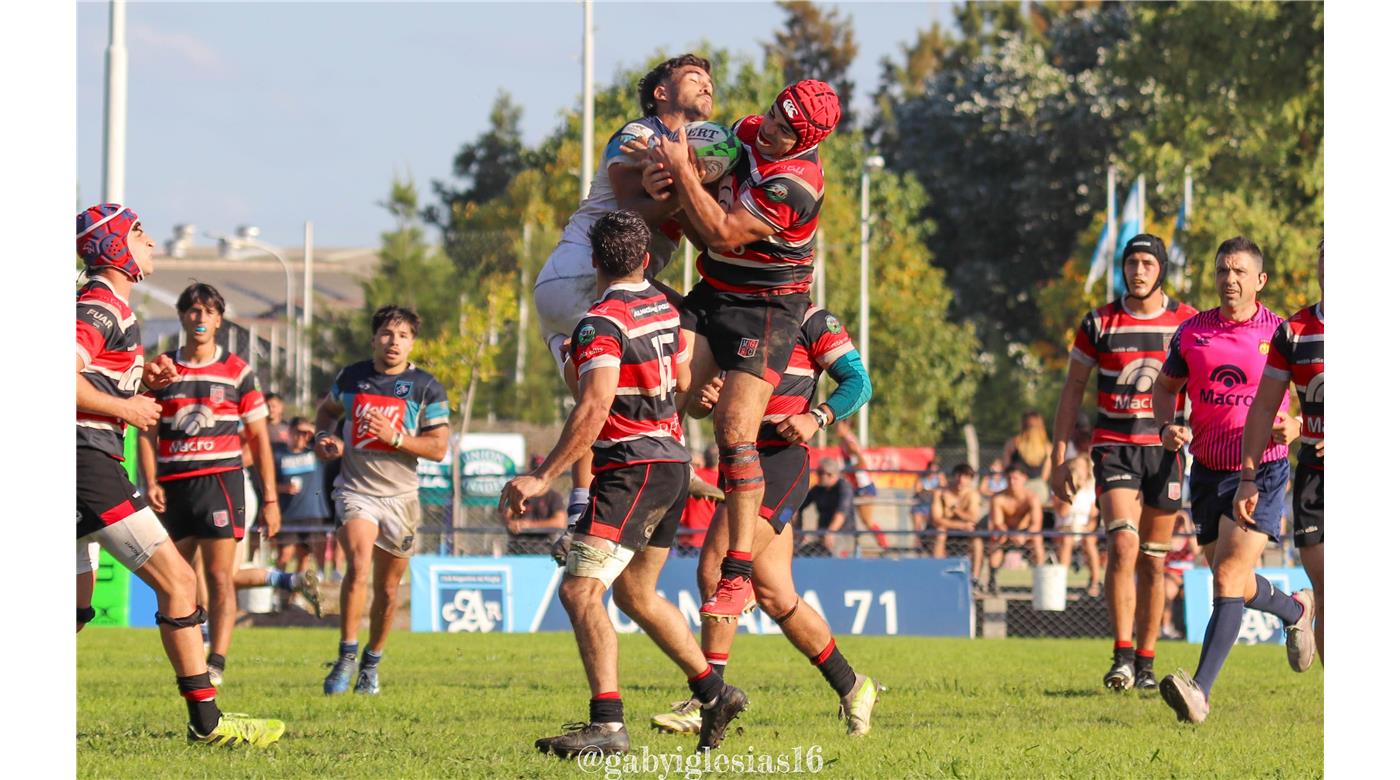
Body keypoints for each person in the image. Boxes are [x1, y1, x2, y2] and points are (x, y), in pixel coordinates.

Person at [500, 210, 747, 757]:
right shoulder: (662, 305)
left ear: (592, 260)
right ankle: (714, 692)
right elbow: (684, 380)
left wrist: (543, 476)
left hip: (632, 467)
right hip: (671, 463)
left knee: (579, 590)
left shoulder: (600, 322)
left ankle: (608, 725)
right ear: (643, 259)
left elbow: (594, 406)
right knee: (635, 593)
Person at [75, 203, 283, 746]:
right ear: (114, 246)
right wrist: (128, 410)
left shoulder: (114, 306)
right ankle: (208, 724)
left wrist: (145, 385)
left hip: (81, 457)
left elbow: (97, 381)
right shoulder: (101, 303)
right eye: (138, 232)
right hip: (85, 460)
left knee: (73, 605)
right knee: (181, 581)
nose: (149, 241)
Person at [643, 80, 843, 621]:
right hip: (716, 291)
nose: (771, 129)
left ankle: (736, 571)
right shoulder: (751, 131)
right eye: (775, 115)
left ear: (807, 141)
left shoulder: (795, 183)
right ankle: (620, 506)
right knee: (665, 393)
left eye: (786, 129)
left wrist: (680, 172)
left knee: (733, 430)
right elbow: (706, 181)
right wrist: (666, 174)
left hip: (767, 308)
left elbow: (720, 233)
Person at [653, 304, 880, 738]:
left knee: (720, 566)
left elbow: (859, 382)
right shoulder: (735, 317)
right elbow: (710, 398)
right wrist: (705, 398)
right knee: (777, 597)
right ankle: (855, 687)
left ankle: (708, 699)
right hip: (738, 460)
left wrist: (817, 416)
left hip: (778, 461)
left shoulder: (812, 320)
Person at [534, 53, 715, 529]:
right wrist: (686, 189)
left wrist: (693, 188)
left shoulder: (694, 151)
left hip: (573, 289)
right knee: (686, 330)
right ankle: (657, 452)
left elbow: (706, 230)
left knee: (602, 399)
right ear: (661, 93)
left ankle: (584, 502)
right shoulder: (639, 134)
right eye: (693, 78)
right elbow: (632, 215)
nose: (706, 85)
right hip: (585, 274)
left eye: (709, 81)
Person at [1152, 236, 1314, 725]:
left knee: (1226, 576)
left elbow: (1315, 389)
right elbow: (1165, 389)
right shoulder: (1191, 334)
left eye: (1240, 271)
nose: (1230, 279)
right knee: (1234, 580)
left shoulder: (1284, 333)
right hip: (1207, 472)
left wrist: (1300, 424)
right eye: (1223, 270)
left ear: (1260, 280)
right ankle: (1296, 611)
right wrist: (1166, 426)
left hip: (1262, 468)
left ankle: (1199, 691)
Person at [136, 282, 315, 686]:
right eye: (193, 311)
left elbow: (258, 440)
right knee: (177, 578)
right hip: (173, 486)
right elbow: (145, 429)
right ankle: (192, 648)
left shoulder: (237, 371)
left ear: (219, 319)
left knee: (219, 577)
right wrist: (150, 479)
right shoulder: (161, 367)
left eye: (208, 312)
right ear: (182, 316)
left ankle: (216, 659)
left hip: (220, 482)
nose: (200, 318)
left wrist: (270, 498)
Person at [1048, 233, 1199, 691]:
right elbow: (1073, 388)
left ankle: (1148, 662)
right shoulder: (1099, 322)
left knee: (1154, 561)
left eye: (1147, 264)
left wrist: (1195, 431)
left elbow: (1203, 383)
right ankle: (1121, 657)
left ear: (1161, 271)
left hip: (1167, 451)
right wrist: (1059, 458)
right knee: (1123, 546)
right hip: (1114, 446)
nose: (1138, 271)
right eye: (1131, 263)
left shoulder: (1188, 321)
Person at [315, 304, 451, 696]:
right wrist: (325, 438)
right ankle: (345, 656)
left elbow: (438, 447)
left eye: (403, 335)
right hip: (356, 491)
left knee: (389, 590)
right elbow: (326, 412)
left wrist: (397, 439)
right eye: (387, 334)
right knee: (357, 565)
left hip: (401, 498)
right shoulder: (352, 378)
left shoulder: (427, 387)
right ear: (374, 338)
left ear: (412, 343)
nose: (394, 342)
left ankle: (371, 664)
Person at [1235, 238, 1324, 662]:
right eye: (1326, 257)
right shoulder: (1294, 331)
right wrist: (1248, 475)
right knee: (1329, 587)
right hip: (1314, 477)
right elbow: (1263, 407)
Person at [274, 416, 333, 610]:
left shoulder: (315, 454)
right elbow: (266, 483)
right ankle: (277, 594)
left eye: (306, 433)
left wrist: (316, 434)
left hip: (312, 512)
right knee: (284, 555)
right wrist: (283, 488)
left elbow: (332, 447)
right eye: (298, 432)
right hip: (288, 514)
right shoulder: (278, 455)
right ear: (289, 432)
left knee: (304, 557)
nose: (302, 437)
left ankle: (296, 597)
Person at [983, 464, 1046, 593]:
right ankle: (992, 580)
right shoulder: (998, 498)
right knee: (996, 540)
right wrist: (1009, 534)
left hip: (1025, 532)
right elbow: (998, 523)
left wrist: (1025, 535)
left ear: (1024, 479)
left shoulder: (1031, 498)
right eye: (1009, 478)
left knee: (1037, 540)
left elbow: (1036, 524)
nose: (1012, 482)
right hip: (1006, 532)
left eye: (1016, 478)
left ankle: (1040, 581)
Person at [835, 421, 889, 548]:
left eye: (839, 426)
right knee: (853, 519)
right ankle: (854, 548)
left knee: (867, 521)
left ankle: (885, 546)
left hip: (863, 486)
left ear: (846, 426)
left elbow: (863, 464)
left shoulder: (849, 443)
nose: (836, 428)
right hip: (855, 486)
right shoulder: (844, 442)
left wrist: (848, 471)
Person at [1053, 455, 1101, 597]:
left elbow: (1093, 518)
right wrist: (1074, 491)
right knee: (1067, 541)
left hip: (1082, 530)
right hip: (1064, 529)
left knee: (1089, 541)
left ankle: (1095, 582)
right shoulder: (1061, 488)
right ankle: (1061, 584)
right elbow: (1063, 512)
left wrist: (1088, 529)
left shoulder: (1091, 492)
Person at [929, 464, 985, 582]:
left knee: (977, 541)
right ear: (953, 476)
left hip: (963, 534)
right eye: (958, 475)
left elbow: (973, 518)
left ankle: (974, 579)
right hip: (944, 532)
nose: (961, 480)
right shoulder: (940, 493)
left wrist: (955, 509)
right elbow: (937, 519)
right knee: (941, 533)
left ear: (970, 479)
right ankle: (936, 574)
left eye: (965, 477)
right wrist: (962, 525)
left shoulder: (972, 495)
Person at [799, 459, 854, 557]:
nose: (819, 476)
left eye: (822, 473)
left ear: (833, 475)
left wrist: (830, 532)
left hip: (843, 535)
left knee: (832, 552)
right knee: (800, 554)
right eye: (819, 473)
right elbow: (798, 506)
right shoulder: (818, 489)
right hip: (821, 535)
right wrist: (797, 529)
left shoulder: (844, 488)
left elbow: (841, 513)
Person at [1161, 512, 1200, 640]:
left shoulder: (1189, 529)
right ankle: (1166, 627)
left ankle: (1192, 628)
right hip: (1171, 571)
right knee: (1168, 592)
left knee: (1192, 593)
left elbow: (1196, 551)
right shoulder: (1168, 530)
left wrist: (1187, 525)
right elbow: (1171, 547)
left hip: (1189, 573)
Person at [678, 446, 722, 552]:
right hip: (713, 539)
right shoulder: (723, 481)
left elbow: (681, 511)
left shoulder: (692, 479)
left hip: (687, 540)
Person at [1003, 411, 1052, 504]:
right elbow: (1045, 476)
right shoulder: (1048, 447)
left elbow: (1006, 468)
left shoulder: (1013, 443)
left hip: (1017, 488)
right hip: (1039, 490)